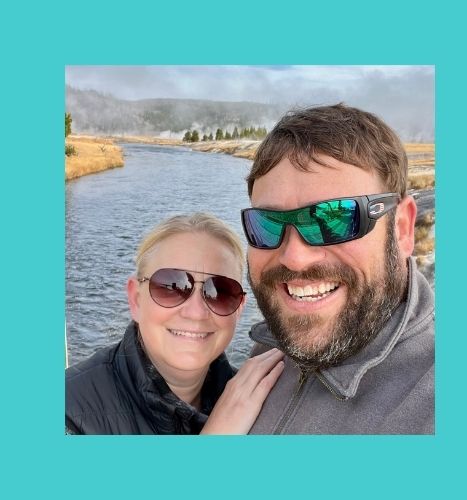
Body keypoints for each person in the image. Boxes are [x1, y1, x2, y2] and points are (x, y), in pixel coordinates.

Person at [241, 103, 434, 434]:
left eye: (335, 218)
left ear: (402, 228)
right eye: (268, 224)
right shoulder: (269, 347)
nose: (295, 258)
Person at [65, 213, 284, 434]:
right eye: (171, 287)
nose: (196, 312)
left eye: (220, 292)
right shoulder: (69, 412)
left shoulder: (254, 399)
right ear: (136, 299)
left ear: (239, 308)